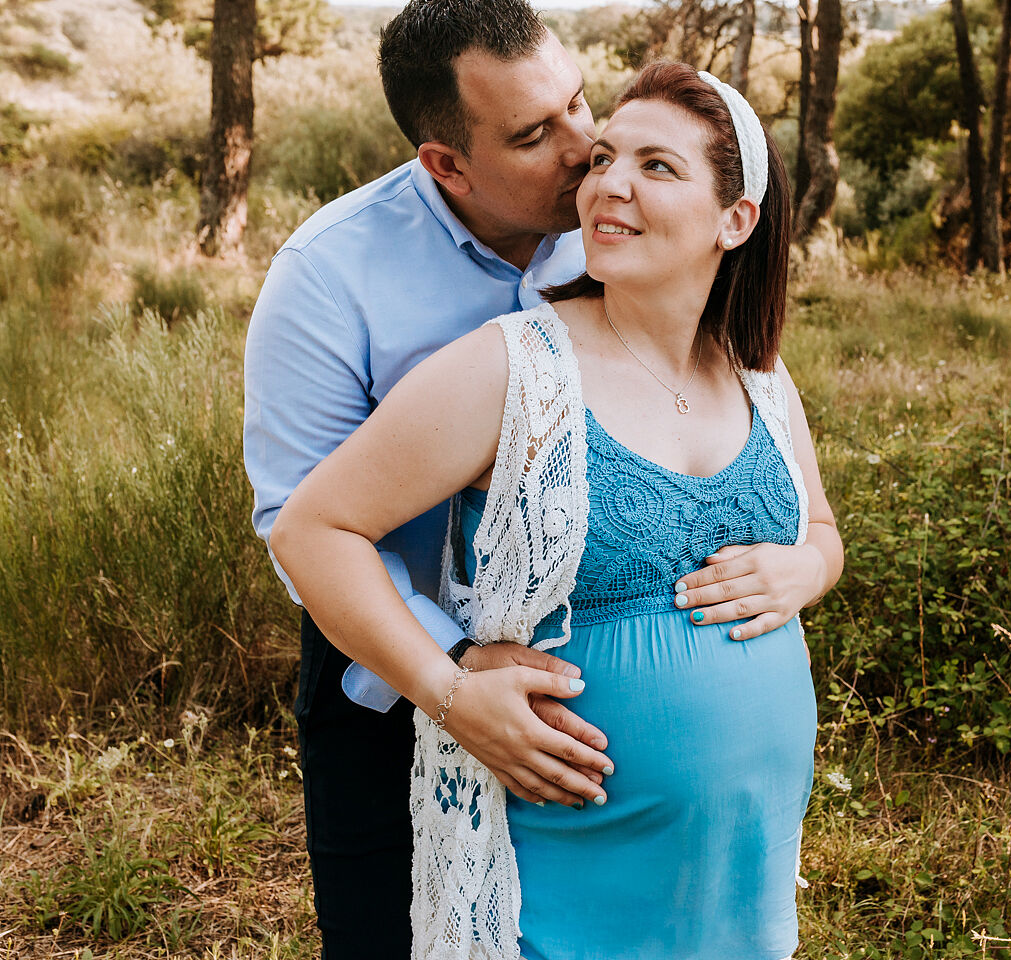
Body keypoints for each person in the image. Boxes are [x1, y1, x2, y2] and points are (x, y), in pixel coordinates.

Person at [269, 60, 844, 960]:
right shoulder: (511, 367)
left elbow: (820, 530)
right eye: (605, 156)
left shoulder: (761, 377)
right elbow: (312, 529)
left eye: (656, 166)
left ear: (737, 220)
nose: (607, 181)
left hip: (740, 880)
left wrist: (808, 566)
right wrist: (450, 689)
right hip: (568, 882)